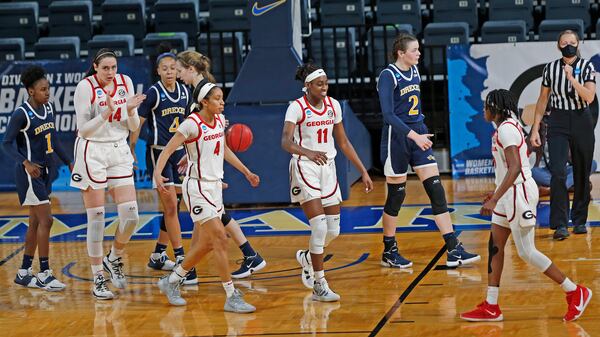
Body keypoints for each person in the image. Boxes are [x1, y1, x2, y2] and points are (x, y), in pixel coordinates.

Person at [460, 89, 592, 322]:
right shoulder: (505, 126)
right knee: (495, 246)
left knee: (526, 252)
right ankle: (491, 305)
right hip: (507, 193)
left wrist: (494, 198)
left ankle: (575, 291)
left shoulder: (507, 129)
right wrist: (497, 193)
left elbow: (515, 168)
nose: (484, 111)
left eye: (486, 106)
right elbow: (508, 169)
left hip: (518, 193)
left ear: (496, 108)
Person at [377, 32, 480, 268]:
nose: (419, 53)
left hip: (418, 132)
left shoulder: (414, 72)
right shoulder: (388, 75)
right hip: (397, 138)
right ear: (401, 53)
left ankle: (453, 247)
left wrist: (420, 132)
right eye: (414, 50)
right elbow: (389, 115)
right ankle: (389, 249)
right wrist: (414, 135)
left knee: (436, 190)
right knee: (397, 195)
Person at [155, 81, 257, 312]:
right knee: (220, 238)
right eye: (217, 98)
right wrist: (157, 173)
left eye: (222, 98)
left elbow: (224, 149)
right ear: (204, 102)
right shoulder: (192, 124)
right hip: (197, 189)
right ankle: (231, 295)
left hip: (214, 188)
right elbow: (169, 148)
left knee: (206, 244)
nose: (222, 102)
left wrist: (246, 171)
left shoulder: (220, 120)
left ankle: (171, 281)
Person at [281, 63, 374, 302]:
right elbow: (286, 142)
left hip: (328, 169)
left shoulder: (333, 106)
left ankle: (307, 257)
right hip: (305, 166)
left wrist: (363, 170)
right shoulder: (296, 107)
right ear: (308, 86)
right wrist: (308, 152)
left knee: (333, 230)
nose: (324, 88)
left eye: (326, 83)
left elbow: (343, 142)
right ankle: (319, 283)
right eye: (319, 84)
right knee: (320, 227)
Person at [177, 51, 267, 279]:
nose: (178, 76)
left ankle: (189, 270)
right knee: (209, 218)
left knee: (209, 220)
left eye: (180, 70)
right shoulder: (200, 90)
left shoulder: (203, 92)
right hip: (206, 163)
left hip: (208, 168)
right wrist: (190, 154)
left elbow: (211, 133)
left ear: (191, 69)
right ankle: (248, 254)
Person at [71, 48, 146, 299]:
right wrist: (105, 113)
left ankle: (112, 257)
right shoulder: (85, 87)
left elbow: (133, 126)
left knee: (132, 215)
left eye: (114, 67)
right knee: (97, 218)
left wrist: (132, 111)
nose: (111, 72)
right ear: (95, 67)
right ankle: (98, 280)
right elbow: (84, 131)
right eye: (105, 68)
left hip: (118, 149)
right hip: (92, 151)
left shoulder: (125, 83)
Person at [129, 48, 197, 281]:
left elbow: (190, 123)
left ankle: (158, 254)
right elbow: (139, 122)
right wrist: (132, 147)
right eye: (164, 68)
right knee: (169, 206)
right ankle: (180, 257)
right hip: (158, 155)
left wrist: (191, 150)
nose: (169, 72)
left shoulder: (185, 91)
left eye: (172, 68)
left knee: (174, 207)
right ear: (158, 71)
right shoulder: (153, 93)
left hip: (179, 154)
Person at [3, 65, 72, 291]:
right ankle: (44, 273)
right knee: (47, 220)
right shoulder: (21, 113)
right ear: (31, 91)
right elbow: (6, 143)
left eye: (48, 88)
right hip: (30, 174)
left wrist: (69, 161)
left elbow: (55, 139)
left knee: (34, 222)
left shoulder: (49, 108)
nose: (47, 92)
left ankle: (24, 272)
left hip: (46, 172)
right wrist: (25, 163)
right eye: (43, 89)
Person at [530, 30, 596, 240]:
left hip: (581, 119)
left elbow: (589, 97)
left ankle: (579, 221)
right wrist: (535, 128)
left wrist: (572, 79)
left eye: (572, 42)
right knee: (557, 172)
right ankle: (559, 224)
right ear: (558, 46)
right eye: (564, 42)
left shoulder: (587, 67)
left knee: (582, 172)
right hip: (557, 120)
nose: (568, 45)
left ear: (578, 44)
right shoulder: (550, 68)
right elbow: (542, 100)